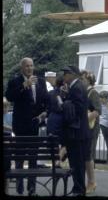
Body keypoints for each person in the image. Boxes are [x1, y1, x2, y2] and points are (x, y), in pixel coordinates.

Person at [4, 57, 48, 196]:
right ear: (22, 68)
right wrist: (24, 85)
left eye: (31, 65)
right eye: (27, 66)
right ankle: (20, 186)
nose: (30, 68)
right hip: (21, 125)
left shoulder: (40, 81)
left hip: (35, 123)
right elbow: (10, 97)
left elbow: (46, 99)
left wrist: (44, 113)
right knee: (20, 157)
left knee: (33, 158)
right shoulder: (15, 81)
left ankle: (32, 189)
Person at [61, 65, 91, 196]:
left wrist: (65, 104)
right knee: (76, 162)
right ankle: (78, 187)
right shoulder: (76, 86)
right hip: (78, 131)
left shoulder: (77, 87)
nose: (64, 75)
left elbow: (78, 109)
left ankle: (79, 189)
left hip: (76, 132)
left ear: (73, 74)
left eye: (66, 73)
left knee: (77, 162)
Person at [83, 71, 100, 194]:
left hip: (91, 127)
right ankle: (89, 181)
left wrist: (84, 119)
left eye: (82, 79)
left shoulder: (93, 92)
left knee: (89, 154)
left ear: (89, 80)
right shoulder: (84, 92)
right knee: (86, 155)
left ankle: (91, 181)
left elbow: (97, 110)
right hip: (85, 127)